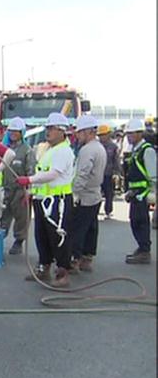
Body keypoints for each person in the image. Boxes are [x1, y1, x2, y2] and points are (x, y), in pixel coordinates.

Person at [16, 112, 75, 287]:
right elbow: (42, 173)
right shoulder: (50, 150)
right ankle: (45, 266)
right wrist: (31, 192)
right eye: (47, 128)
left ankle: (63, 271)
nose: (47, 132)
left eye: (51, 128)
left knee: (58, 237)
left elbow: (53, 174)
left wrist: (29, 180)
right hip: (43, 199)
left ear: (62, 131)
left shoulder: (64, 151)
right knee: (42, 235)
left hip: (58, 201)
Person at [68, 115, 106, 274]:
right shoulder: (100, 148)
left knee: (77, 229)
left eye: (79, 132)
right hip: (95, 194)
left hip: (84, 196)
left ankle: (74, 260)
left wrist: (74, 194)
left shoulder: (87, 150)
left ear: (87, 132)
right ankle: (87, 258)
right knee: (91, 228)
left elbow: (82, 174)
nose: (77, 136)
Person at [121, 119, 156, 264]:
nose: (129, 137)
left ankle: (144, 250)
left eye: (132, 134)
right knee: (135, 221)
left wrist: (153, 192)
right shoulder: (135, 150)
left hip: (142, 194)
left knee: (141, 221)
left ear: (140, 133)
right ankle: (142, 248)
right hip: (135, 193)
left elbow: (153, 174)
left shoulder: (147, 150)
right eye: (128, 134)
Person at [0, 117, 35, 255]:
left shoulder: (27, 151)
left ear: (22, 132)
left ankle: (19, 240)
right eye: (11, 131)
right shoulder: (3, 149)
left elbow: (31, 170)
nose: (13, 134)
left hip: (20, 190)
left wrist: (29, 190)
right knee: (2, 215)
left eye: (16, 131)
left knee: (21, 216)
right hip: (5, 188)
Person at [97, 124, 120, 219]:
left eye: (103, 134)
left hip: (108, 173)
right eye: (100, 135)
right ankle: (95, 211)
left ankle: (108, 211)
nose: (102, 137)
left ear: (108, 134)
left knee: (109, 194)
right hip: (97, 174)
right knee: (96, 193)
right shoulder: (96, 146)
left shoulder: (113, 146)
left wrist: (117, 172)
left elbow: (116, 160)